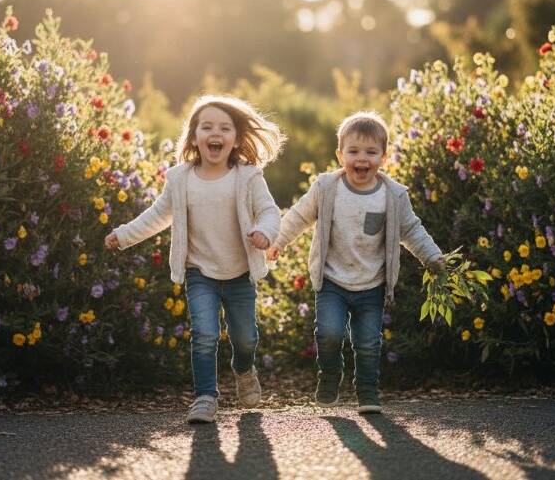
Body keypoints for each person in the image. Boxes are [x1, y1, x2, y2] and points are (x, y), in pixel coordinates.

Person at [105, 95, 285, 423]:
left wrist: (264, 232)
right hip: (200, 272)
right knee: (204, 333)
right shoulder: (180, 178)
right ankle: (205, 397)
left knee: (245, 337)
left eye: (224, 128)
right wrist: (125, 235)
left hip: (239, 272)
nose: (215, 133)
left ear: (236, 139)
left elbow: (270, 211)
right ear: (194, 136)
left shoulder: (247, 176)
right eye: (207, 127)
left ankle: (244, 369)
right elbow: (158, 215)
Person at [267, 111, 444, 414]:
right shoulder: (326, 189)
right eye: (354, 151)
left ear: (383, 157)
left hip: (371, 283)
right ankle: (330, 376)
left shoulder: (393, 196)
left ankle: (367, 391)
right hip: (332, 280)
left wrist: (432, 256)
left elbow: (411, 229)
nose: (362, 159)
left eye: (371, 152)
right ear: (340, 155)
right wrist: (278, 241)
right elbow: (298, 216)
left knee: (368, 342)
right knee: (329, 333)